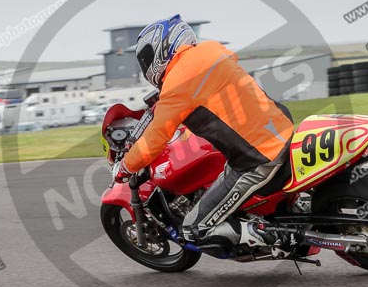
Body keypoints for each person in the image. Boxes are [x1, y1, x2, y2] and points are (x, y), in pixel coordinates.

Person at [111, 14, 294, 244]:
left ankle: (280, 239)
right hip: (281, 128)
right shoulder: (213, 50)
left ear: (160, 51)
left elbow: (154, 140)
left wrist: (124, 167)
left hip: (259, 157)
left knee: (194, 229)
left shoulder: (177, 86)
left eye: (147, 58)